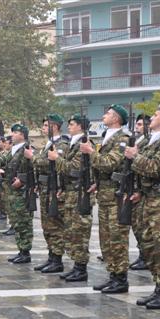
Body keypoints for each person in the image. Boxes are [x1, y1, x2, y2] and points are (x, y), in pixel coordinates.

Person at [125, 104, 160, 309]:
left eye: (155, 115)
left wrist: (135, 157)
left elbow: (156, 168)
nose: (151, 119)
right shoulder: (151, 141)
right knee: (148, 245)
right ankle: (158, 286)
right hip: (147, 200)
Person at [81, 105, 131, 293]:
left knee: (117, 238)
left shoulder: (122, 140)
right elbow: (101, 170)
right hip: (104, 195)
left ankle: (121, 278)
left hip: (116, 197)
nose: (104, 116)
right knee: (106, 238)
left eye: (108, 113)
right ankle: (113, 275)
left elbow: (110, 163)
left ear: (117, 119)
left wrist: (90, 152)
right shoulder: (107, 137)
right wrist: (96, 182)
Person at [51, 114, 93, 282]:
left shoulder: (84, 144)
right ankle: (76, 265)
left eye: (73, 124)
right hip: (70, 193)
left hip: (80, 194)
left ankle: (81, 268)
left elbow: (74, 169)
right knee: (71, 232)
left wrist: (57, 159)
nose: (69, 126)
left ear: (81, 126)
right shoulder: (73, 144)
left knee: (80, 232)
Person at [25, 114, 69, 273]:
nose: (43, 128)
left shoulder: (62, 144)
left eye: (45, 125)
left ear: (54, 127)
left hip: (53, 189)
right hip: (44, 187)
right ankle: (51, 256)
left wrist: (33, 157)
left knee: (55, 225)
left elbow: (48, 162)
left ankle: (57, 259)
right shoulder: (47, 144)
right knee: (46, 225)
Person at [4, 124, 33, 263]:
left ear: (22, 135)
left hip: (22, 193)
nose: (12, 135)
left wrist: (22, 180)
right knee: (17, 222)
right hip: (12, 192)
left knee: (24, 222)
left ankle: (26, 252)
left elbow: (32, 169)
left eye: (15, 133)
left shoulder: (27, 149)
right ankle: (21, 250)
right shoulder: (13, 150)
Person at [128, 114, 150, 272]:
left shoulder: (147, 142)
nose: (137, 127)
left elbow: (144, 169)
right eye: (137, 124)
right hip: (134, 187)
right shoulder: (136, 141)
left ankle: (146, 256)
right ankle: (143, 254)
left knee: (142, 226)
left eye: (141, 124)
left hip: (142, 190)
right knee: (136, 225)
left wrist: (139, 190)